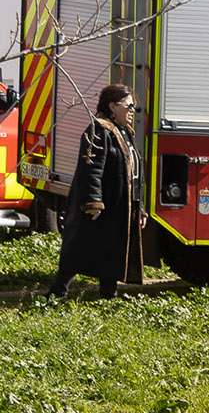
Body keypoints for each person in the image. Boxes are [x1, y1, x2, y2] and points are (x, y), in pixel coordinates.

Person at [51, 83, 143, 299]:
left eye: (134, 107)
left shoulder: (123, 132)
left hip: (118, 206)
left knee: (112, 250)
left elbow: (135, 172)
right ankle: (56, 292)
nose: (132, 111)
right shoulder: (99, 130)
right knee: (79, 249)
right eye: (129, 106)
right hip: (99, 206)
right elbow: (91, 169)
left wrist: (140, 208)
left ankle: (108, 294)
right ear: (112, 106)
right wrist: (93, 201)